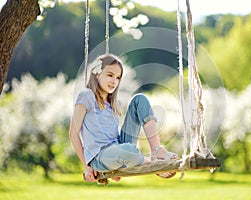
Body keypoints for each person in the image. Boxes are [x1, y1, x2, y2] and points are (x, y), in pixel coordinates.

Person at [69, 54, 178, 184]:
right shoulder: (86, 96)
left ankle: (156, 150)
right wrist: (87, 167)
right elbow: (73, 134)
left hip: (117, 150)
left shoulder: (115, 103)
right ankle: (155, 165)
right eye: (110, 75)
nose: (114, 81)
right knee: (127, 150)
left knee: (139, 99)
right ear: (97, 74)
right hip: (99, 156)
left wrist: (115, 164)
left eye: (118, 77)